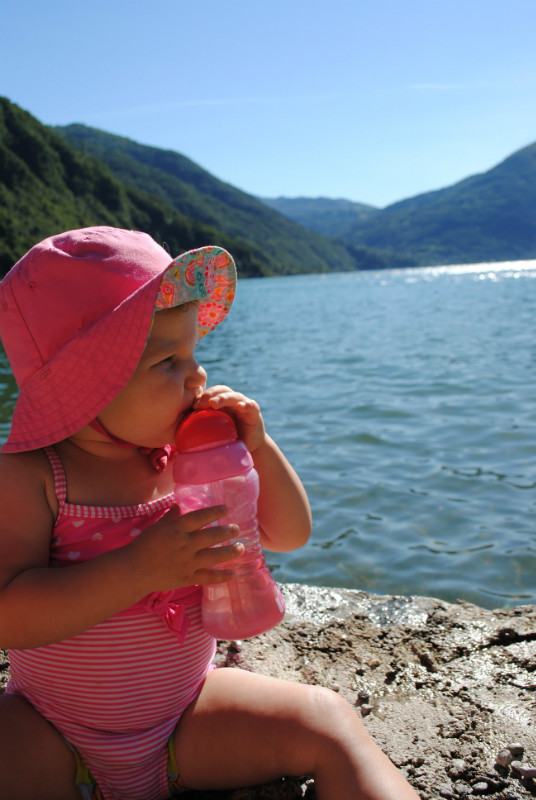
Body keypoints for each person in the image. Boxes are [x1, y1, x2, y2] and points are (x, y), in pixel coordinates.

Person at [0, 227, 419, 800]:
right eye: (168, 361)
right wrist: (138, 570)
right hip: (52, 731)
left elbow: (289, 534)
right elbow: (9, 616)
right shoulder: (30, 477)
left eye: (194, 354)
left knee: (329, 721)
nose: (197, 376)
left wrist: (257, 448)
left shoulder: (186, 456)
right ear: (84, 385)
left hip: (185, 721)